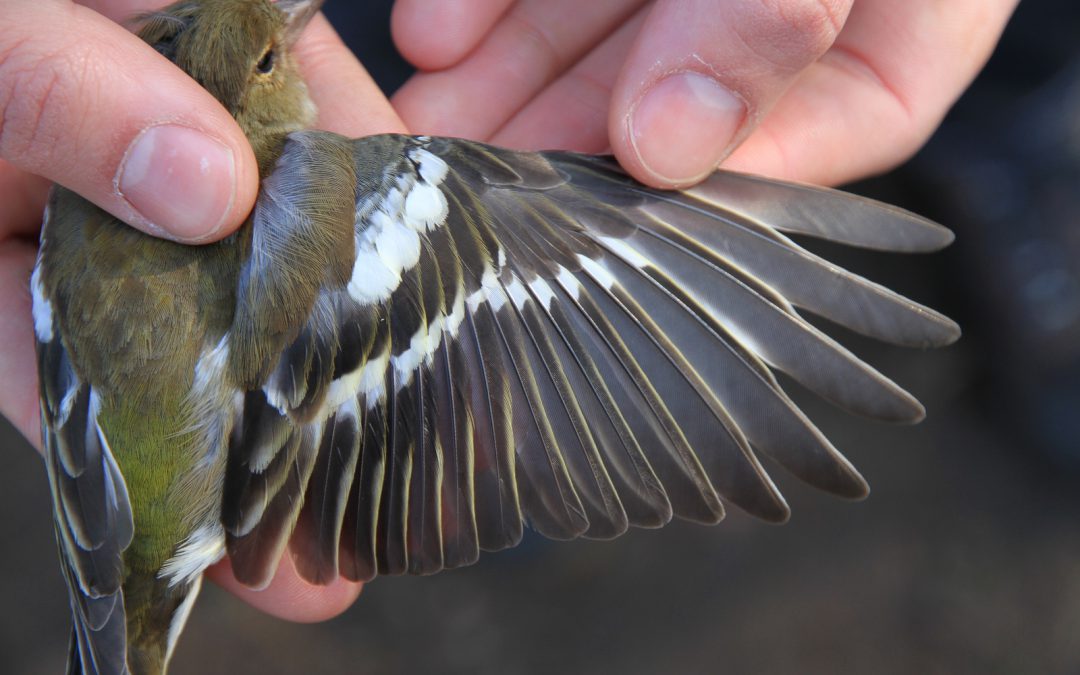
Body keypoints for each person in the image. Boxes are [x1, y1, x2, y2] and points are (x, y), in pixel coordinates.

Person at [0, 0, 1018, 622]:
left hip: (112, 509)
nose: (291, 30)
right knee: (462, 207)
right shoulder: (360, 206)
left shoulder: (78, 225)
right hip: (197, 483)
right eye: (272, 51)